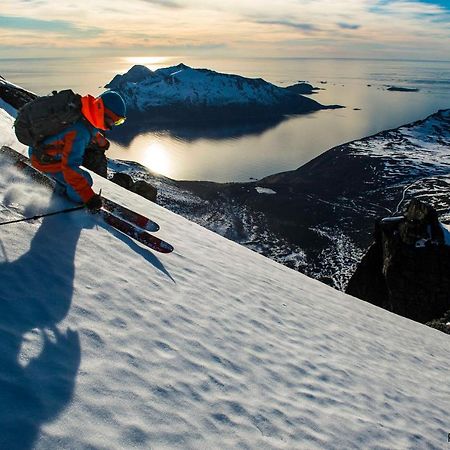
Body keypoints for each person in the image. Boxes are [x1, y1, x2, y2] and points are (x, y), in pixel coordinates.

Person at [29, 90, 126, 212]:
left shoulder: (81, 108)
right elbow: (70, 167)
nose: (113, 125)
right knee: (86, 180)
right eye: (115, 121)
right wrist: (88, 197)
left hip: (38, 148)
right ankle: (62, 191)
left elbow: (85, 125)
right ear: (103, 111)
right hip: (43, 160)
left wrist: (100, 139)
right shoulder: (81, 133)